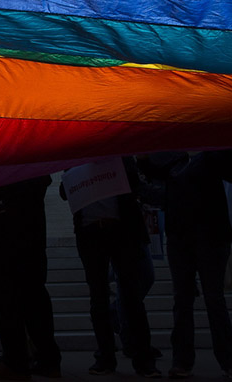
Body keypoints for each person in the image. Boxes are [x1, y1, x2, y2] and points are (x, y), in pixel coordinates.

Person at [138, 149, 232, 380]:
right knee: (186, 299)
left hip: (208, 236)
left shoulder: (212, 155)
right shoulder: (175, 157)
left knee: (210, 299)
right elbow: (153, 171)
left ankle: (225, 360)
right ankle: (189, 361)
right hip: (183, 236)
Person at [60, 158, 159, 377]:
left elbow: (135, 184)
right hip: (91, 234)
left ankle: (143, 359)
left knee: (131, 298)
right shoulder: (75, 163)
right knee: (99, 299)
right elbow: (64, 191)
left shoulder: (120, 159)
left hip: (121, 232)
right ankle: (106, 357)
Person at [0, 175, 61, 381]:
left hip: (2, 230)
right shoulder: (27, 156)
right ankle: (47, 359)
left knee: (8, 300)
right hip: (29, 229)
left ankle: (17, 362)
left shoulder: (0, 156)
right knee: (34, 297)